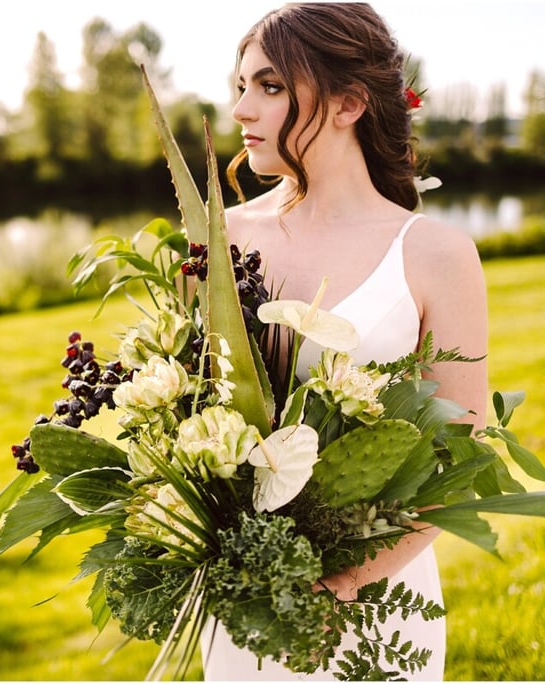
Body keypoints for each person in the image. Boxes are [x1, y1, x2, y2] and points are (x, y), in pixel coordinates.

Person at [200, 3, 488, 680]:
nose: (241, 109)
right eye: (241, 86)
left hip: (375, 613)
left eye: (269, 87)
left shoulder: (435, 254)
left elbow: (460, 453)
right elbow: (196, 411)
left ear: (349, 102)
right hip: (244, 604)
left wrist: (352, 579)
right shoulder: (220, 237)